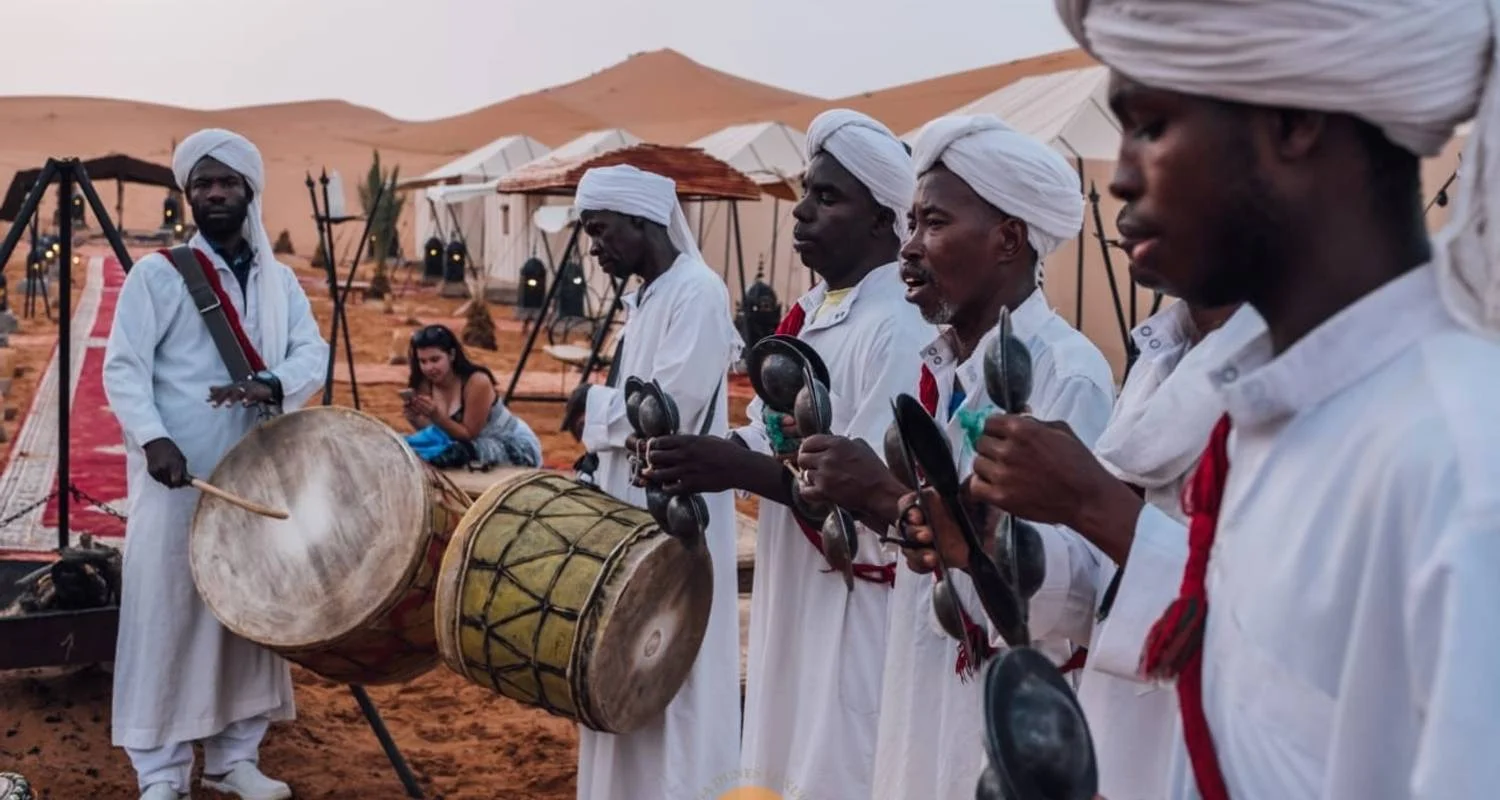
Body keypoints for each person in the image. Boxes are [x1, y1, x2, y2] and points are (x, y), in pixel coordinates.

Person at [1013, 2, 1500, 798]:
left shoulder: (1458, 468)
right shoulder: (1276, 425)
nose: (1123, 175)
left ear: (1294, 120)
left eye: (1152, 125)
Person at [796, 114, 1116, 800]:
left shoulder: (1069, 376)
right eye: (909, 224)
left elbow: (1068, 593)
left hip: (998, 722)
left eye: (933, 224)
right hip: (924, 690)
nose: (908, 249)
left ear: (1008, 239)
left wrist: (887, 500)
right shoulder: (941, 372)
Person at [639, 108, 936, 799]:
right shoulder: (818, 313)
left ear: (884, 221)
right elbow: (774, 435)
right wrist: (707, 454)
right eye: (806, 192)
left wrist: (739, 470)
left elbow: (871, 488)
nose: (800, 212)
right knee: (783, 753)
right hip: (797, 587)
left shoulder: (893, 327)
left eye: (826, 197)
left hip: (856, 604)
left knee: (839, 766)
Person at [103, 129, 330, 800]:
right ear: (189, 197)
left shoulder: (280, 282)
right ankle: (161, 774)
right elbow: (124, 369)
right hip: (177, 482)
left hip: (253, 475)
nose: (213, 193)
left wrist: (271, 384)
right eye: (201, 184)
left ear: (248, 190)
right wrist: (152, 439)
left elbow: (311, 354)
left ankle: (235, 760)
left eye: (225, 182)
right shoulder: (158, 275)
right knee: (166, 614)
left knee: (247, 613)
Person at [558, 164, 742, 800]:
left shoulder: (698, 291)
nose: (596, 247)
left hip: (675, 522)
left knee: (673, 679)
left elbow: (671, 412)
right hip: (632, 517)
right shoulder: (652, 295)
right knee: (621, 668)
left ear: (643, 221)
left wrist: (593, 407)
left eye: (602, 230)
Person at [400, 323, 542, 469]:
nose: (429, 368)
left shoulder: (476, 382)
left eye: (435, 360)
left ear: (452, 355)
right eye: (423, 361)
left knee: (450, 454)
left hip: (509, 444)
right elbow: (439, 433)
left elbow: (468, 434)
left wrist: (436, 415)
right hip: (462, 444)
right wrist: (416, 419)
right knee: (403, 445)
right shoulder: (425, 383)